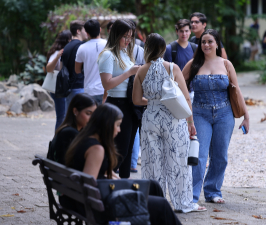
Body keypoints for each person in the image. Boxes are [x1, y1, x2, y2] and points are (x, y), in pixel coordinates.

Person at [62, 103, 182, 225]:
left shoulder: (85, 139)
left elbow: (95, 174)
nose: (119, 130)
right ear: (107, 125)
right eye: (118, 125)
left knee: (153, 186)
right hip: (97, 205)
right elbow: (89, 185)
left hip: (83, 197)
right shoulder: (95, 149)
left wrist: (117, 179)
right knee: (162, 206)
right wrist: (121, 187)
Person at [132, 33, 206, 213]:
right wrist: (190, 121)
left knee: (152, 163)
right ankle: (183, 203)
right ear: (164, 49)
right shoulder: (173, 68)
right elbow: (186, 97)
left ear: (146, 49)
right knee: (178, 162)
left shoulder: (140, 71)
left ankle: (154, 203)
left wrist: (154, 101)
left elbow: (135, 100)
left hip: (151, 120)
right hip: (174, 120)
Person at [182, 29, 249, 204]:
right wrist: (184, 113)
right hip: (200, 113)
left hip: (224, 114)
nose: (206, 45)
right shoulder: (193, 64)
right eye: (203, 42)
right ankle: (192, 196)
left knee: (220, 156)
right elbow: (178, 86)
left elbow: (236, 89)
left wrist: (246, 116)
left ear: (217, 43)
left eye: (210, 41)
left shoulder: (226, 64)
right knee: (200, 155)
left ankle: (213, 191)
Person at [97, 19, 141, 179]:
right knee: (119, 149)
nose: (128, 40)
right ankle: (105, 180)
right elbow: (107, 84)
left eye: (130, 37)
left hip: (130, 105)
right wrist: (129, 73)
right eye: (125, 36)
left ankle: (124, 183)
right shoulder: (108, 55)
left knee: (128, 149)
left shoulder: (124, 53)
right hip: (116, 105)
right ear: (116, 35)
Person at [47, 93, 97, 165]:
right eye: (88, 113)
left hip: (61, 174)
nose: (92, 118)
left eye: (94, 114)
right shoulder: (70, 133)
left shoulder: (66, 129)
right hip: (69, 175)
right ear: (75, 111)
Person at [75, 19, 107, 104]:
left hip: (89, 91)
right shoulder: (109, 45)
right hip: (106, 90)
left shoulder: (82, 48)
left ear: (86, 32)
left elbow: (77, 70)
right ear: (100, 29)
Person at [46, 30, 72, 130]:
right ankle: (58, 142)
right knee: (62, 116)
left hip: (60, 87)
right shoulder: (57, 53)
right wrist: (57, 57)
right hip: (58, 87)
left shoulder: (65, 51)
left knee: (63, 116)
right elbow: (49, 68)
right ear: (68, 40)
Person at [62, 20, 88, 108]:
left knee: (70, 118)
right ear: (78, 31)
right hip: (79, 86)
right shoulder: (82, 46)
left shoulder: (66, 46)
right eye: (85, 30)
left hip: (69, 87)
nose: (87, 32)